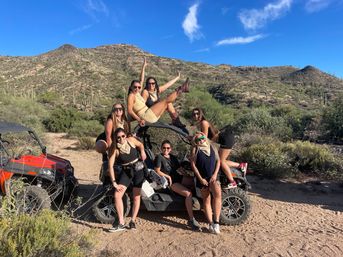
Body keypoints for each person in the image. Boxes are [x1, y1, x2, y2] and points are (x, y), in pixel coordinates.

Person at [191, 108, 248, 189]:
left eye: (197, 114)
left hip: (225, 138)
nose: (196, 116)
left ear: (201, 114)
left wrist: (193, 139)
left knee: (221, 161)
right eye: (194, 114)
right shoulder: (202, 123)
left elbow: (205, 139)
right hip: (225, 138)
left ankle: (232, 182)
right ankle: (241, 165)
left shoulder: (203, 122)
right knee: (221, 160)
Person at [154, 140, 201, 231]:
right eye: (164, 148)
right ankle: (191, 219)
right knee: (188, 194)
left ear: (171, 149)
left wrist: (188, 174)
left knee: (196, 183)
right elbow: (157, 170)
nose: (166, 150)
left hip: (179, 178)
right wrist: (168, 176)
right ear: (161, 148)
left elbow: (179, 168)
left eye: (168, 148)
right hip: (171, 183)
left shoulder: (173, 157)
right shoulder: (159, 157)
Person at [107, 128, 147, 232]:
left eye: (123, 136)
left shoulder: (131, 140)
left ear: (125, 135)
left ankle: (132, 221)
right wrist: (114, 182)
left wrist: (142, 151)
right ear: (115, 139)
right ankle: (121, 222)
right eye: (118, 137)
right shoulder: (115, 148)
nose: (121, 139)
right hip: (126, 171)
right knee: (117, 195)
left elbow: (141, 145)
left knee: (136, 197)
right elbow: (110, 166)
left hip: (138, 169)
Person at [140, 58, 186, 128]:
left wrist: (177, 77)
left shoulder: (157, 90)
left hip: (157, 114)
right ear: (147, 84)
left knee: (169, 103)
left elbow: (168, 84)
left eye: (153, 83)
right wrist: (143, 67)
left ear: (155, 84)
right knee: (167, 101)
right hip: (149, 115)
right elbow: (141, 106)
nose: (151, 85)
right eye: (149, 83)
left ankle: (176, 121)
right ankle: (181, 89)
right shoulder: (145, 92)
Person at [190, 131, 221, 234]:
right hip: (202, 179)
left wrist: (215, 174)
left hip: (213, 177)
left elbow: (218, 161)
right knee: (206, 200)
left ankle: (216, 223)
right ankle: (211, 223)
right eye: (198, 139)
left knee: (217, 196)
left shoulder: (212, 147)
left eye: (202, 138)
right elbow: (193, 165)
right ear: (195, 141)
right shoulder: (195, 149)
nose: (201, 140)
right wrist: (200, 179)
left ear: (205, 137)